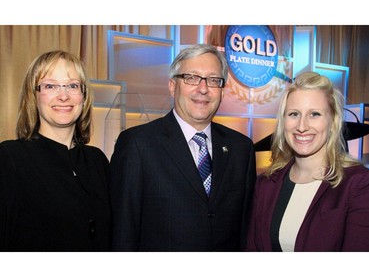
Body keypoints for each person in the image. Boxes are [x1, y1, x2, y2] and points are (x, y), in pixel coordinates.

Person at [110, 44, 257, 251]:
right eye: (192, 78)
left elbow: (244, 231)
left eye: (213, 80)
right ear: (172, 86)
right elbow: (123, 233)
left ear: (222, 91)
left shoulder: (242, 149)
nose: (203, 89)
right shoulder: (137, 144)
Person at [245, 71, 369, 252]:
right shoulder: (266, 184)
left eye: (314, 114)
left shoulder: (361, 185)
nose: (302, 126)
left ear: (333, 121)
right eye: (293, 114)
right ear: (283, 122)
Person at [0, 50, 111, 251]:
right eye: (50, 86)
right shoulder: (9, 159)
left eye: (72, 85)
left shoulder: (97, 161)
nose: (63, 95)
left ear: (83, 96)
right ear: (33, 96)